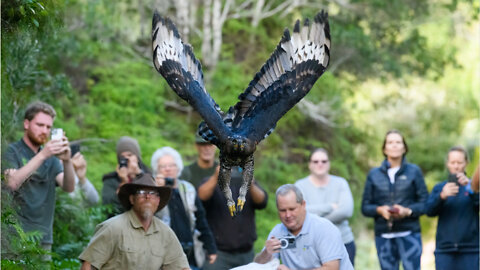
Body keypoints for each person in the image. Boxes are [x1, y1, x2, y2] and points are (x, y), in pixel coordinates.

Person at [2, 101, 76, 255]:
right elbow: (12, 182)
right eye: (40, 125)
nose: (45, 131)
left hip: (44, 240)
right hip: (14, 237)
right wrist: (43, 155)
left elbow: (69, 187)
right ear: (27, 124)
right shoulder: (12, 152)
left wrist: (67, 161)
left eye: (48, 127)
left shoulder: (52, 159)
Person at [79, 173, 190, 270]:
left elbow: (181, 267)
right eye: (141, 192)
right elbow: (88, 266)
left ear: (158, 200)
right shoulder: (112, 228)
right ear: (132, 199)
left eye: (152, 193)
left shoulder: (165, 233)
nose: (147, 196)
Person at [361, 129, 428, 270]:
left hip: (410, 234)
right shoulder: (374, 174)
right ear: (384, 148)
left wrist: (407, 211)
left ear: (404, 148)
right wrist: (379, 210)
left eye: (398, 142)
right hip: (383, 235)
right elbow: (365, 207)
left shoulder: (414, 171)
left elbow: (425, 203)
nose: (394, 145)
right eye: (390, 142)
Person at [254, 184, 353, 270]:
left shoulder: (323, 228)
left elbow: (332, 268)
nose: (288, 215)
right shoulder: (278, 231)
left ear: (303, 205)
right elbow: (257, 266)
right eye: (283, 210)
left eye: (292, 209)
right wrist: (266, 252)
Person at [151, 146, 217, 270]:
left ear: (178, 168)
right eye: (163, 167)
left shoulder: (188, 189)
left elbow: (201, 220)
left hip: (190, 253)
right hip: (165, 256)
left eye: (171, 165)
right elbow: (148, 217)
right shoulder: (152, 192)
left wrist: (211, 248)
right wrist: (157, 191)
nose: (168, 169)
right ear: (157, 170)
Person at [198, 166, 268, 270]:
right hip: (219, 254)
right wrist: (216, 178)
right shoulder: (211, 182)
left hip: (245, 253)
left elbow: (262, 201)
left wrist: (250, 183)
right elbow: (200, 197)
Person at [295, 148, 356, 266]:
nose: (320, 164)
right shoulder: (300, 186)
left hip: (343, 242)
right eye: (316, 161)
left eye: (324, 161)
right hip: (311, 246)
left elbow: (346, 211)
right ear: (309, 165)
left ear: (329, 164)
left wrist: (312, 217)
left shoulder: (341, 183)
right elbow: (298, 213)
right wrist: (330, 206)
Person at [425, 146, 479, 270]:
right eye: (452, 162)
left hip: (470, 250)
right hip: (444, 250)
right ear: (447, 164)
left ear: (466, 163)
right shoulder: (439, 188)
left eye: (459, 162)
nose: (456, 166)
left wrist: (471, 189)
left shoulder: (474, 187)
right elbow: (428, 211)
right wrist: (441, 196)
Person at [101, 136, 151, 217]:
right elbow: (109, 209)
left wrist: (138, 175)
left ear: (137, 158)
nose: (127, 159)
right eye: (123, 157)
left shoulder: (149, 176)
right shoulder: (110, 180)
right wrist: (124, 183)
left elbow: (153, 202)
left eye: (130, 155)